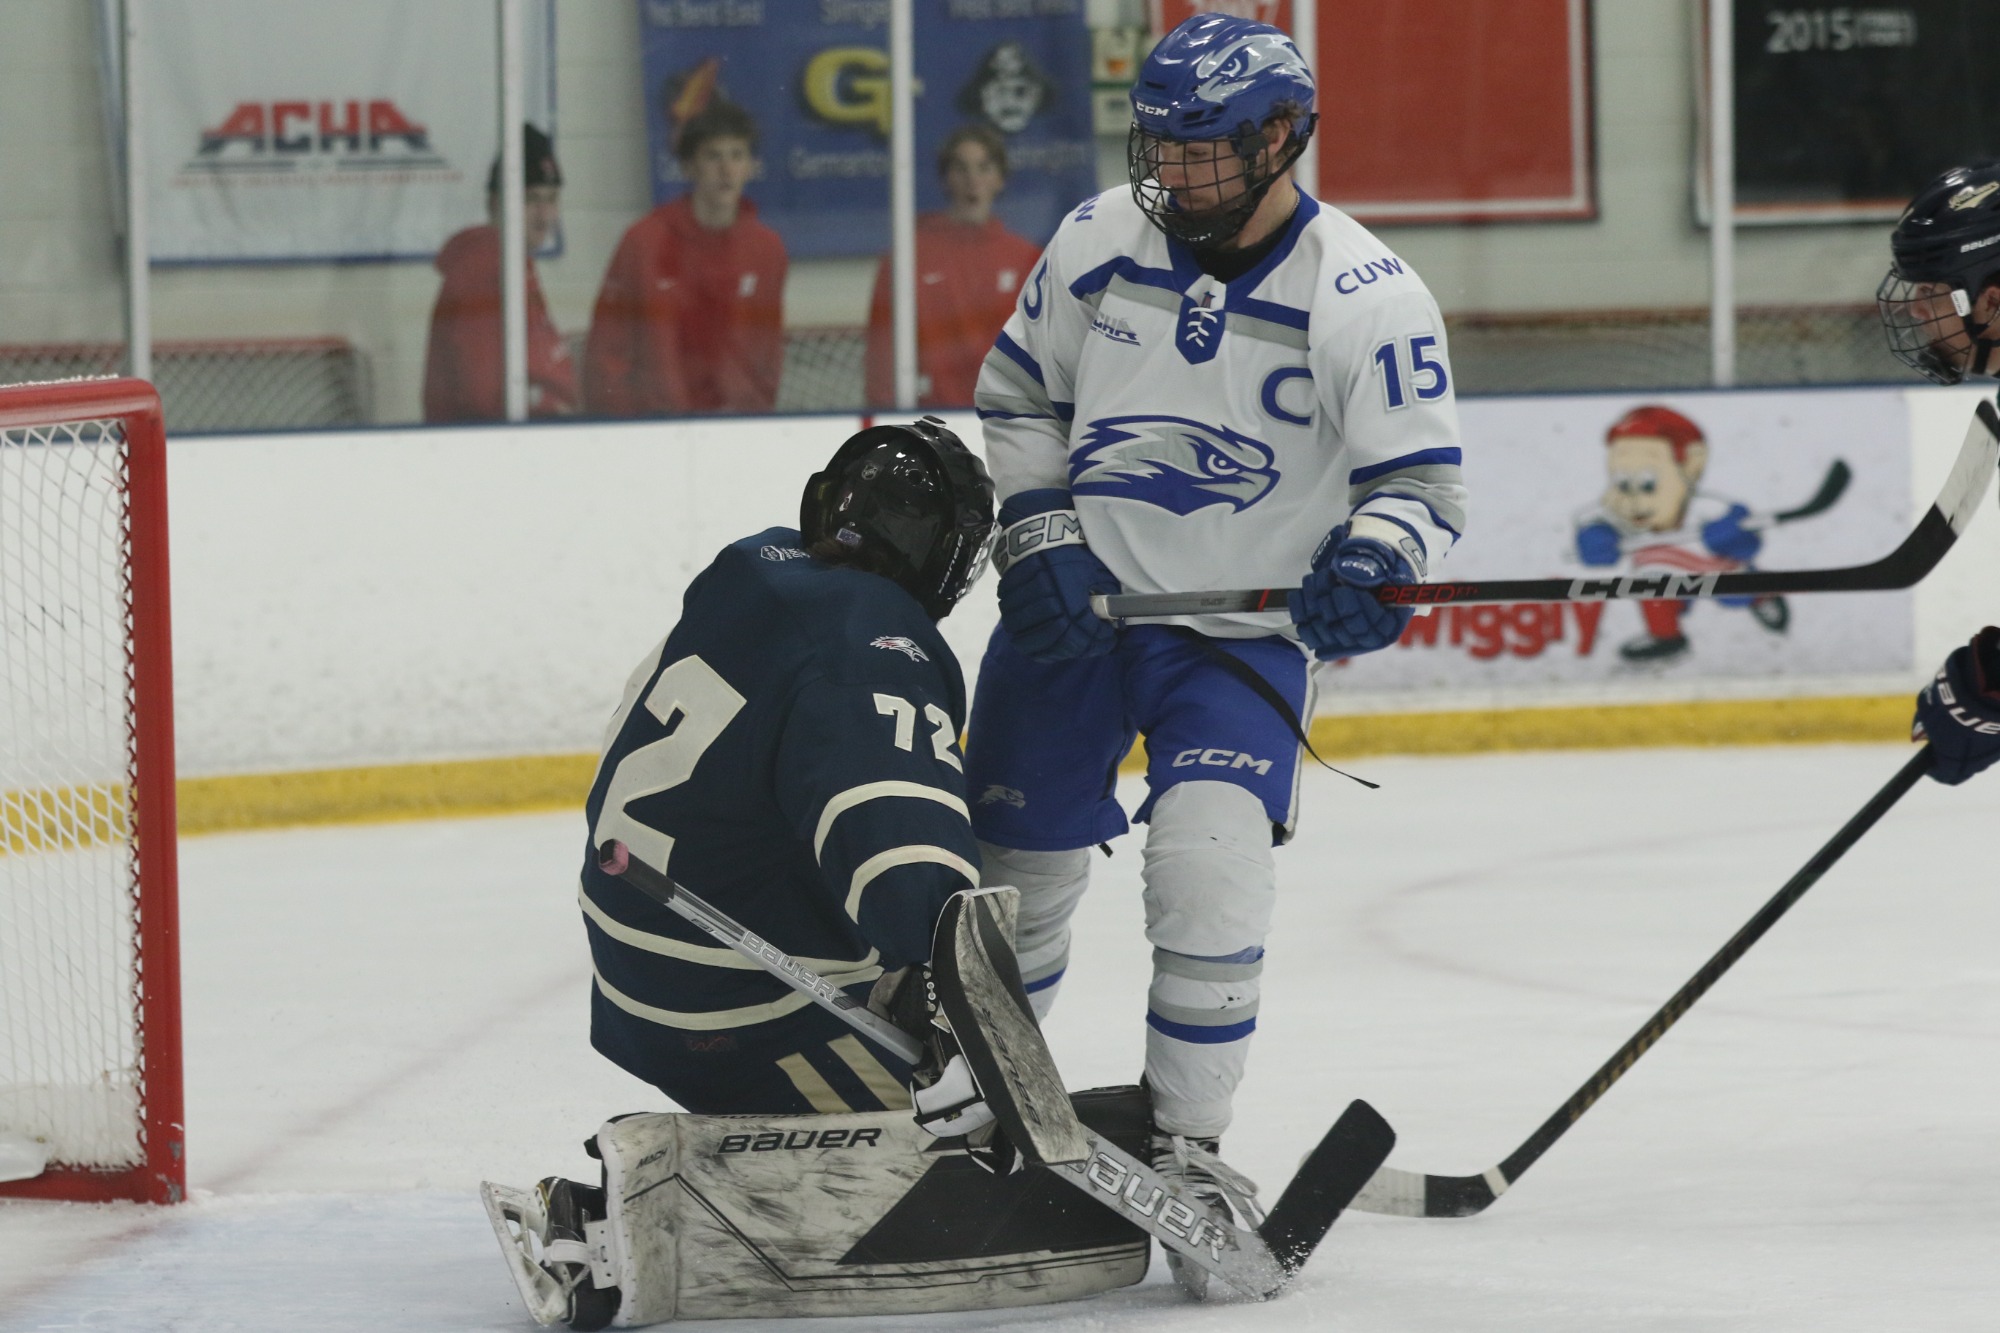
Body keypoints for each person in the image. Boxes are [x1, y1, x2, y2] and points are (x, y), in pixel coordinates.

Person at [962, 11, 1466, 1298]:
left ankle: (1183, 1151)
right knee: (1007, 879)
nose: (1175, 176)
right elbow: (1017, 400)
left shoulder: (1365, 294)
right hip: (1076, 618)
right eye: (1163, 148)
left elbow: (1412, 483)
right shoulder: (1092, 239)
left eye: (1206, 153)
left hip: (1234, 641)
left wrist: (1374, 562)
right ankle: (970, 1119)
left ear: (1282, 136)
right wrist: (1038, 530)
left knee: (1208, 866)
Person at [583, 100, 787, 416]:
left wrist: (753, 414)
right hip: (655, 431)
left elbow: (767, 351)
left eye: (737, 155)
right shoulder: (644, 241)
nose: (726, 169)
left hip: (735, 429)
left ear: (750, 166)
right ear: (689, 166)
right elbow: (609, 346)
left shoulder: (766, 249)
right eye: (713, 156)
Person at [1572, 404, 1791, 664]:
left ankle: (1759, 593)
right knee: (1647, 581)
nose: (1633, 497)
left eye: (1648, 483)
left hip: (1706, 565)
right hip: (1665, 571)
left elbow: (1746, 536)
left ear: (1689, 466)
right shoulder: (1617, 509)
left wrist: (1731, 536)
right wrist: (1595, 540)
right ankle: (1666, 637)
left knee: (1732, 591)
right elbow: (1591, 529)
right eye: (1621, 480)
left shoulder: (1707, 508)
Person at [865, 125, 1042, 408]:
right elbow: (882, 347)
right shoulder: (909, 254)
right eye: (961, 169)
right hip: (926, 417)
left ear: (1000, 179)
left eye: (984, 168)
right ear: (946, 179)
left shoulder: (1024, 257)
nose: (973, 180)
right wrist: (885, 413)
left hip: (1004, 417)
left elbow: (1041, 349)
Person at [421, 125, 577, 422]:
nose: (546, 216)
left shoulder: (511, 263)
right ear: (496, 202)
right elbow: (487, 396)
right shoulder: (486, 268)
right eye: (531, 199)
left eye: (552, 198)